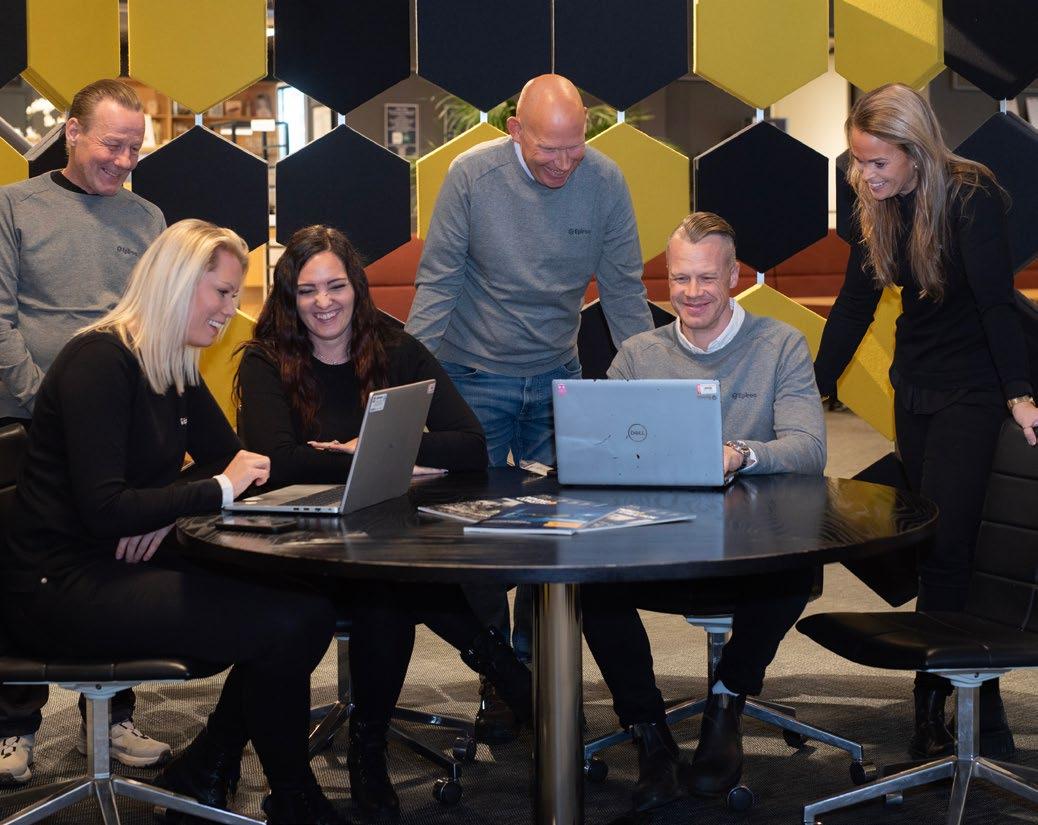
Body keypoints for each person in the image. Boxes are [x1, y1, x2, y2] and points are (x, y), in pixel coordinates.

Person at [0, 219, 348, 824]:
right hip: (58, 587)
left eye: (234, 295)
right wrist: (204, 492)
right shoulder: (99, 361)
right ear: (179, 282)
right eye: (222, 292)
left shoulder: (172, 361)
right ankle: (286, 796)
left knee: (309, 606)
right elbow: (110, 508)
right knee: (286, 623)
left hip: (116, 557)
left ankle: (210, 764)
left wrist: (171, 505)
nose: (230, 310)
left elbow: (225, 457)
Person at [235, 224, 532, 816]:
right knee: (390, 583)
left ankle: (368, 750)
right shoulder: (266, 360)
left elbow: (471, 446)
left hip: (383, 545)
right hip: (302, 548)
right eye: (307, 290)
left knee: (386, 586)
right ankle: (494, 660)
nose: (324, 302)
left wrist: (386, 451)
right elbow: (277, 461)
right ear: (288, 297)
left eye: (336, 286)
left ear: (357, 287)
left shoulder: (396, 349)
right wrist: (380, 456)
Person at [406, 73, 653, 737]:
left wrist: (650, 388)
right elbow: (438, 284)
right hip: (472, 371)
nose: (563, 163)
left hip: (556, 376)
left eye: (575, 147)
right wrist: (411, 392)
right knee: (475, 537)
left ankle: (539, 672)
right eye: (549, 149)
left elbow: (624, 293)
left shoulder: (605, 181)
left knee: (561, 532)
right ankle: (503, 680)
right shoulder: (471, 177)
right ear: (515, 129)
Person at [814, 83, 1038, 760]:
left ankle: (943, 703)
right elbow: (854, 305)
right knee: (928, 542)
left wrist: (1020, 392)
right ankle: (942, 697)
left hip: (973, 386)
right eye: (858, 161)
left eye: (878, 162)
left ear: (915, 151)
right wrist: (811, 390)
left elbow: (997, 303)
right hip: (913, 385)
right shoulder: (876, 205)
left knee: (948, 546)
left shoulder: (970, 196)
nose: (865, 175)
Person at [580, 212, 823, 812]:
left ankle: (728, 698)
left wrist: (739, 453)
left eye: (706, 278)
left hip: (750, 551)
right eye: (680, 278)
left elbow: (808, 448)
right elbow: (599, 447)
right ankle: (649, 734)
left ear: (734, 276)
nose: (691, 293)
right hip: (658, 549)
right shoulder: (639, 354)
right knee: (587, 581)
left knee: (797, 569)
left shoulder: (779, 344)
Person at [0, 78, 168, 785]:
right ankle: (13, 727)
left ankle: (115, 715)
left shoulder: (148, 217)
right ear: (72, 132)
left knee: (117, 567)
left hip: (120, 431)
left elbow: (156, 323)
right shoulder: (14, 205)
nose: (123, 160)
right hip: (27, 424)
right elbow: (1, 319)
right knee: (21, 572)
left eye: (135, 148)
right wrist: (53, 405)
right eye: (111, 144)